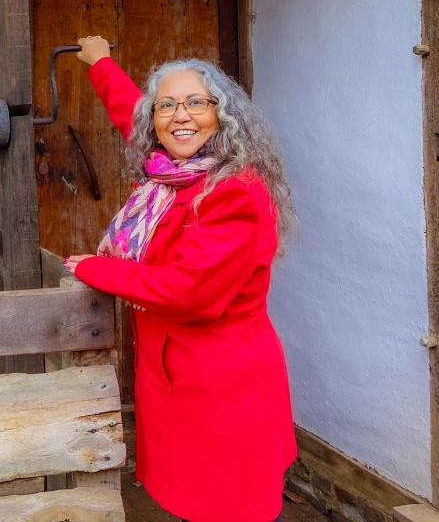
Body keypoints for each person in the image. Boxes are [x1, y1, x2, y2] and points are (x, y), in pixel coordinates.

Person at [64, 35, 297, 522]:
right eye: (166, 106)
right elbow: (132, 110)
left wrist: (95, 267)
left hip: (221, 388)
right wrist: (102, 63)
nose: (180, 115)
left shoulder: (235, 193)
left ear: (223, 114)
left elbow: (191, 292)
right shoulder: (167, 172)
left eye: (196, 102)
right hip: (175, 376)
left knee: (231, 505)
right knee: (193, 504)